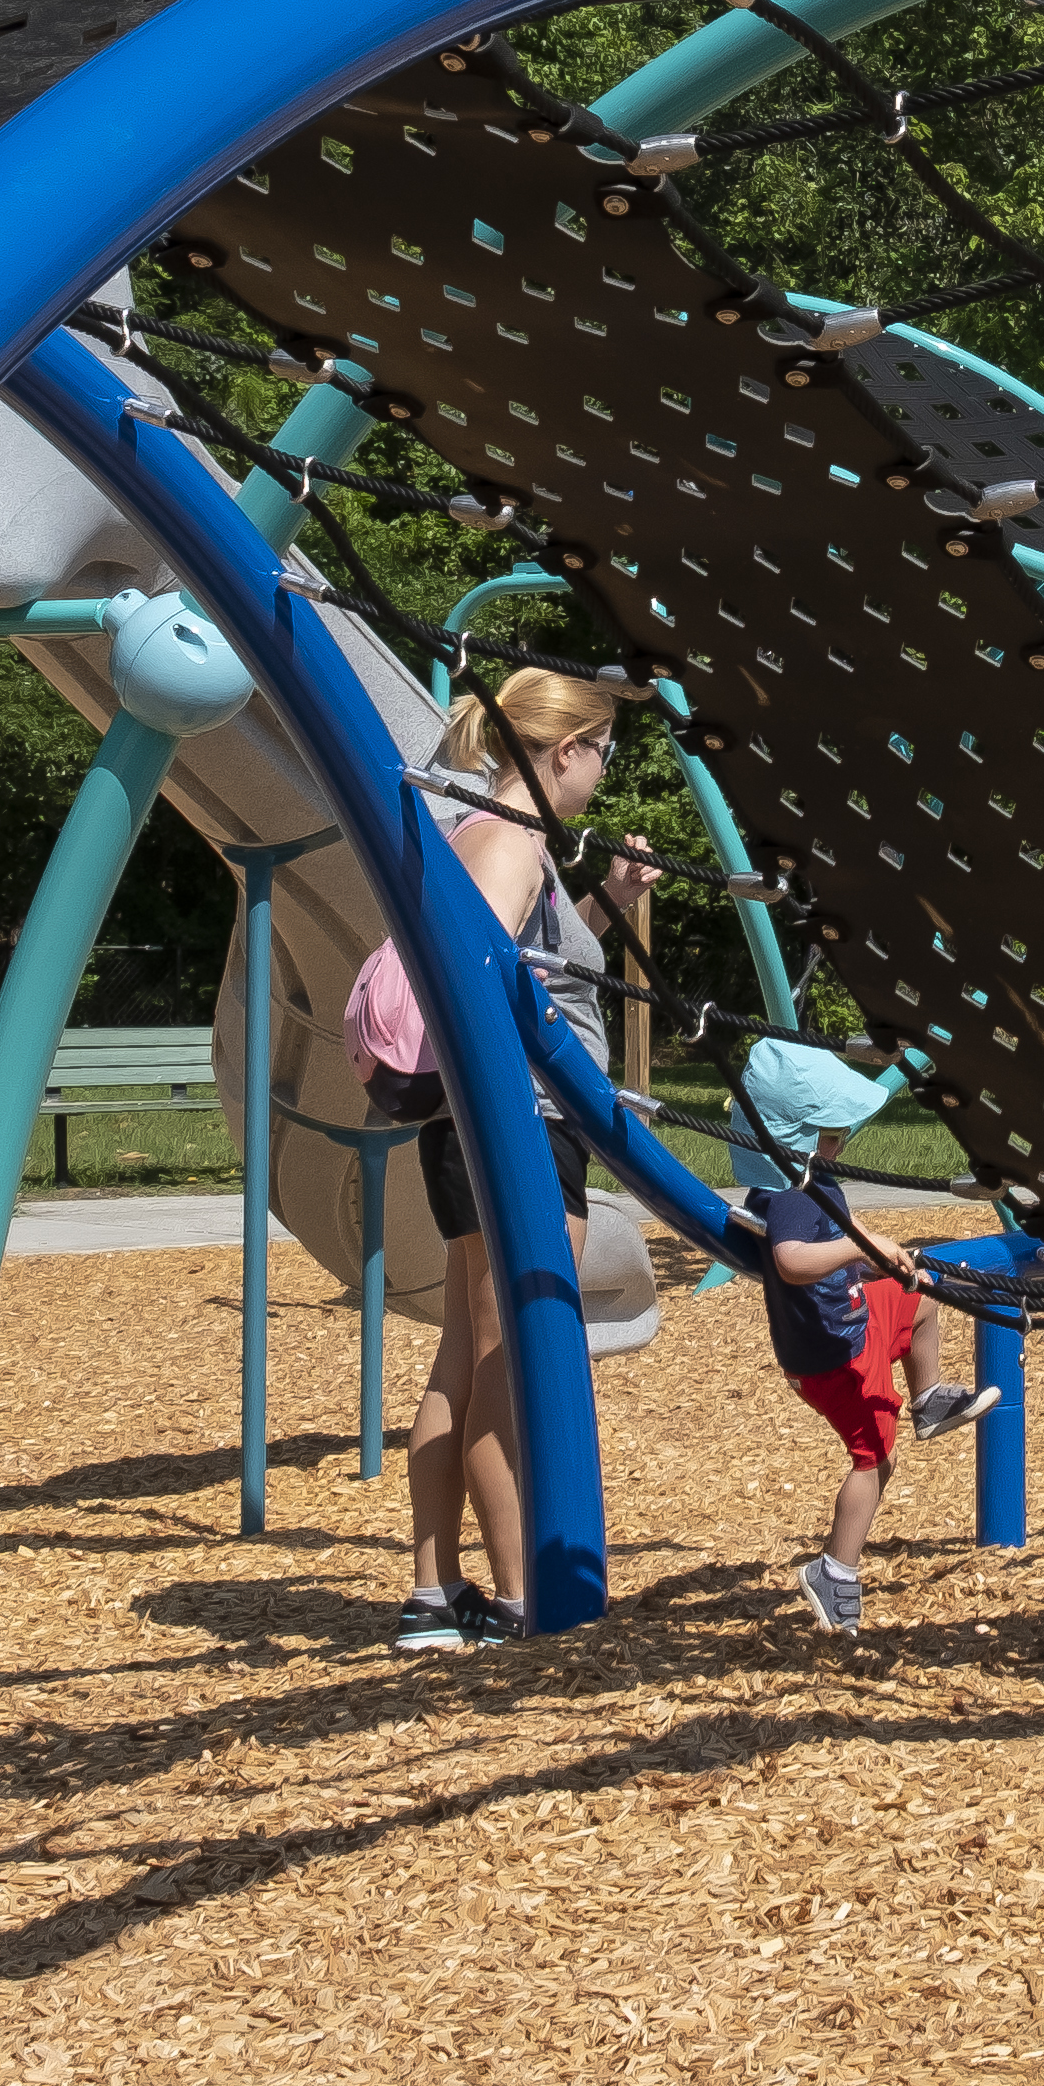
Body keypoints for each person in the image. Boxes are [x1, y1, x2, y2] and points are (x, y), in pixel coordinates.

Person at [347, 664, 657, 1654]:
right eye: (602, 753)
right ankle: (529, 1598)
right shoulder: (514, 841)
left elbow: (529, 963)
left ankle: (435, 1594)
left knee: (463, 1358)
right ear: (564, 750)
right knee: (510, 1361)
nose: (602, 773)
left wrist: (606, 902)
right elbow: (483, 985)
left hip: (475, 1126)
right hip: (516, 1128)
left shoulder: (482, 830)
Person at [724, 1041, 938, 1635]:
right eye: (830, 1132)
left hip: (847, 1322)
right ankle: (836, 1571)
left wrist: (879, 1262)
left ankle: (929, 1398)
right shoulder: (791, 1195)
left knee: (916, 1301)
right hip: (828, 1355)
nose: (840, 1142)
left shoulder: (813, 1179)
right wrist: (860, 1248)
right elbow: (793, 1261)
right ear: (795, 1135)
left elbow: (850, 1249)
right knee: (874, 1459)